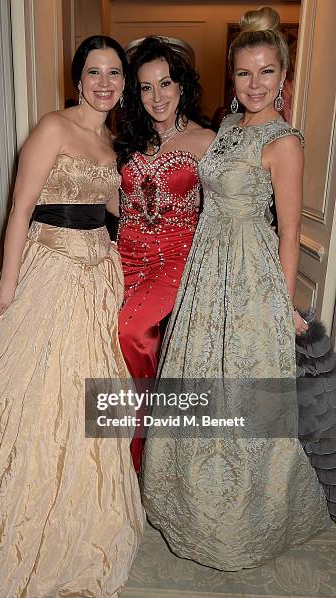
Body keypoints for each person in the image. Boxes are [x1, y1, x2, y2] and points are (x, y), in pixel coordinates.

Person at [0, 36, 145, 598]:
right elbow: (20, 206)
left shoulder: (112, 141)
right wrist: (7, 282)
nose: (105, 83)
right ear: (78, 79)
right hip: (47, 270)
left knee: (86, 396)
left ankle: (83, 515)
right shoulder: (52, 127)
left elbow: (113, 212)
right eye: (94, 72)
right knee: (24, 395)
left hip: (97, 275)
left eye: (114, 74)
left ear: (123, 84)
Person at [141, 7, 332, 570]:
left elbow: (291, 231)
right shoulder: (225, 126)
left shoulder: (285, 142)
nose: (255, 84)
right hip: (206, 264)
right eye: (245, 73)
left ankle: (247, 514)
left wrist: (281, 301)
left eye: (267, 72)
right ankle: (187, 498)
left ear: (284, 78)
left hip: (249, 273)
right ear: (233, 77)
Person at [111, 37, 215, 472]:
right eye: (145, 87)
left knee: (131, 332)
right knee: (101, 337)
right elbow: (112, 202)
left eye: (166, 83)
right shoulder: (126, 141)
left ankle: (148, 440)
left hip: (176, 258)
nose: (158, 96)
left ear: (181, 85)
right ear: (135, 93)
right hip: (126, 256)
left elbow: (224, 206)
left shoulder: (205, 140)